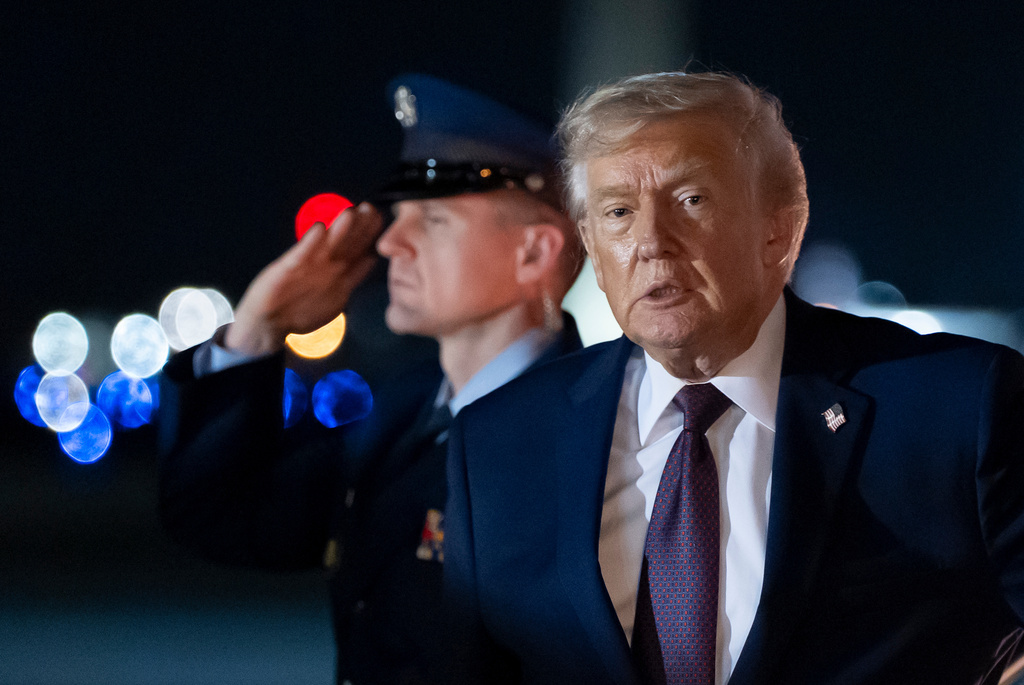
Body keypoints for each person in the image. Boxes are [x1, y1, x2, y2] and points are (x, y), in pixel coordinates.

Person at [444, 70, 1024, 684]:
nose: (651, 242)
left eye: (691, 200)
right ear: (590, 243)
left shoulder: (958, 411)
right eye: (618, 211)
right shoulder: (499, 445)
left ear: (779, 228)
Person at [157, 73, 584, 685]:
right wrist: (255, 332)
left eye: (432, 220)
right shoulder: (401, 411)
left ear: (535, 253)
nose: (389, 242)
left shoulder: (590, 438)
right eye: (398, 215)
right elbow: (215, 517)